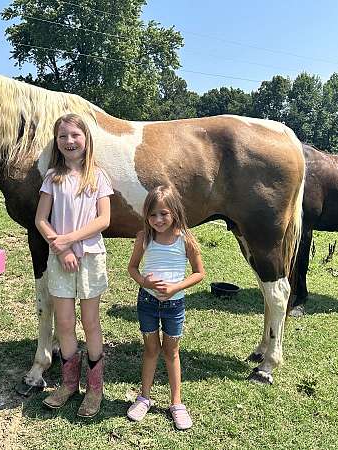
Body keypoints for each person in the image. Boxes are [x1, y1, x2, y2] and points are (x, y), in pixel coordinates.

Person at [35, 113, 113, 418]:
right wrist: (61, 246)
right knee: (65, 323)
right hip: (60, 259)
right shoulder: (52, 177)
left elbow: (103, 219)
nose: (69, 141)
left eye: (74, 135)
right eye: (62, 136)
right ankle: (69, 384)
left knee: (90, 322)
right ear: (57, 142)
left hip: (90, 258)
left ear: (86, 138)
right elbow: (41, 219)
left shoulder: (98, 176)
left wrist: (69, 240)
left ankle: (95, 388)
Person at [126, 185, 205, 430]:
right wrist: (144, 282)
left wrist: (175, 288)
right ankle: (144, 398)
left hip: (174, 305)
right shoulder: (144, 238)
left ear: (175, 212)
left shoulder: (186, 240)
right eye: (152, 215)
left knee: (171, 352)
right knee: (151, 350)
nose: (158, 220)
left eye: (164, 213)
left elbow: (199, 273)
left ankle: (176, 403)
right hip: (147, 303)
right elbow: (132, 268)